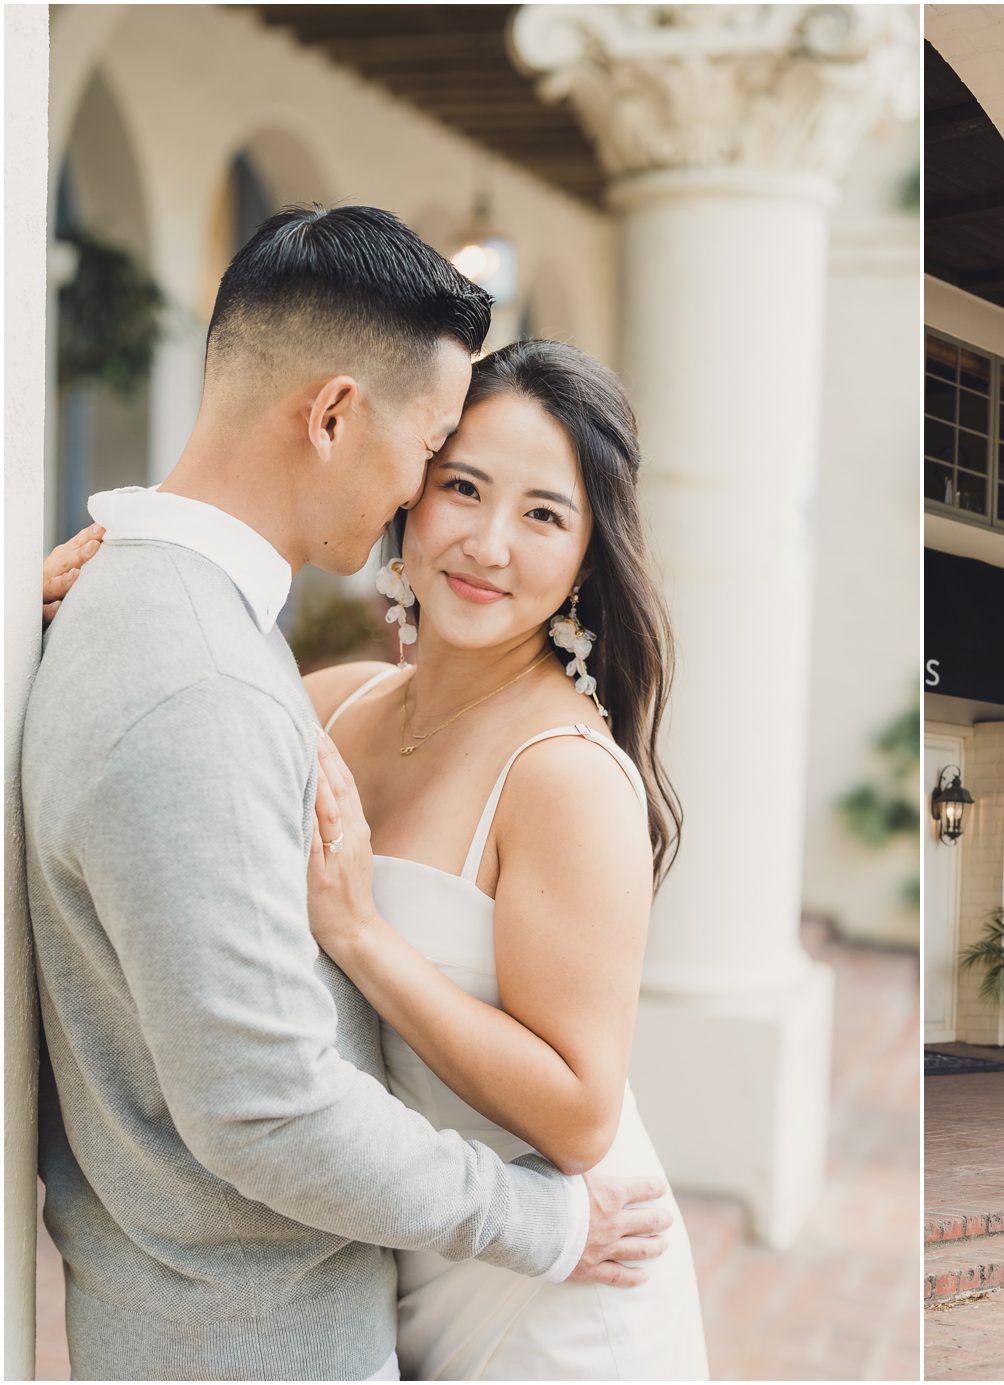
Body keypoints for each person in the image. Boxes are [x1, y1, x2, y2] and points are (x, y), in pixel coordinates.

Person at [27, 205, 693, 1381]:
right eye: (453, 476)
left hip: (541, 1273)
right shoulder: (315, 695)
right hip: (389, 1242)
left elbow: (581, 1115)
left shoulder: (567, 776)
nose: (485, 541)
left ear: (588, 556)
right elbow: (190, 760)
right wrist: (76, 580)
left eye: (543, 514)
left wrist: (363, 936)